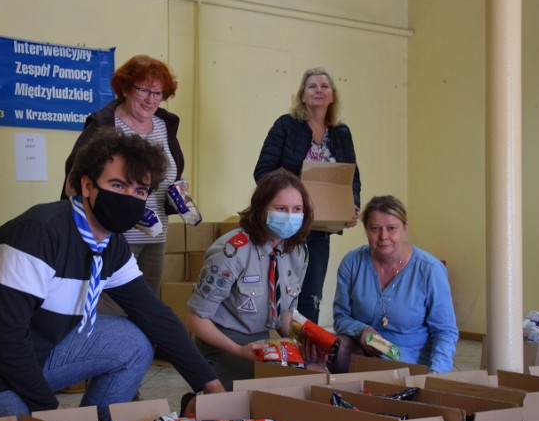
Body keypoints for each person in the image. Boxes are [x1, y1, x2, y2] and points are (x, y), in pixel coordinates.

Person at [0, 129, 224, 421]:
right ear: (86, 185)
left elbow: (155, 315)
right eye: (117, 185)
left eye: (139, 191)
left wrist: (209, 384)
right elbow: (5, 337)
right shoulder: (39, 233)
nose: (129, 198)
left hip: (30, 353)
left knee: (133, 342)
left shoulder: (111, 244)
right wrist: (54, 412)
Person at [62, 54, 183, 297]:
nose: (151, 100)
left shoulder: (164, 126)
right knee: (107, 307)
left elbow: (166, 176)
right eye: (144, 91)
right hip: (111, 235)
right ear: (126, 89)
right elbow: (72, 186)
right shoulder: (104, 125)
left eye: (158, 93)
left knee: (146, 307)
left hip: (156, 237)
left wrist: (180, 195)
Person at [186, 170, 315, 390]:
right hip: (222, 346)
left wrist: (310, 339)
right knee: (240, 404)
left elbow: (284, 316)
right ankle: (196, 402)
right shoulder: (231, 251)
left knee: (315, 379)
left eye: (297, 209)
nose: (290, 216)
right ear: (261, 208)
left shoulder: (296, 251)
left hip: (261, 345)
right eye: (281, 209)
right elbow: (196, 319)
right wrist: (238, 350)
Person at [253, 66, 360, 325]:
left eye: (325, 86)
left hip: (320, 227)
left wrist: (352, 205)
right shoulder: (286, 126)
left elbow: (351, 177)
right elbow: (263, 172)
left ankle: (308, 355)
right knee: (280, 290)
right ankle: (277, 352)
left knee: (311, 294)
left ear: (332, 96)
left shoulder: (341, 133)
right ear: (302, 95)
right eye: (312, 86)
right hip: (284, 224)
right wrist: (292, 193)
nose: (319, 91)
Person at [331, 195, 459, 373]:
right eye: (375, 228)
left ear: (405, 229)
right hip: (363, 352)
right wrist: (362, 331)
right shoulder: (352, 262)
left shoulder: (429, 269)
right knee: (336, 347)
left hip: (409, 361)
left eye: (392, 228)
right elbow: (340, 318)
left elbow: (445, 331)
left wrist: (436, 373)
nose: (383, 236)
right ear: (366, 230)